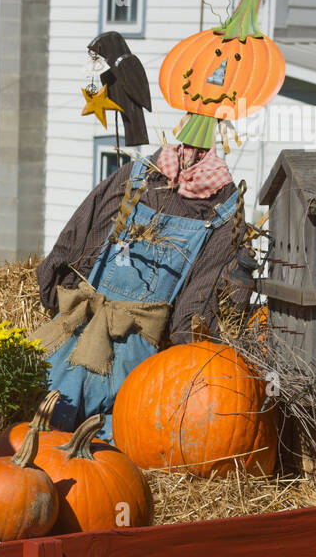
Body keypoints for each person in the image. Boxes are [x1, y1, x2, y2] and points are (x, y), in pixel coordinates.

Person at [37, 145, 256, 439]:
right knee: (121, 432)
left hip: (78, 328)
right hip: (136, 354)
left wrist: (55, 291)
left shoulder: (135, 175)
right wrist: (185, 343)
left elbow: (73, 246)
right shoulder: (226, 211)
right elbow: (193, 317)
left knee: (41, 417)